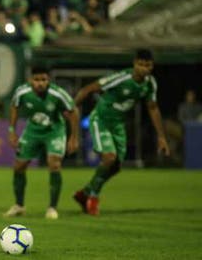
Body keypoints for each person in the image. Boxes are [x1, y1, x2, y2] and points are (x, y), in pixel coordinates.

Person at [73, 49, 170, 216]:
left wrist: (161, 137)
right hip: (101, 120)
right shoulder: (121, 78)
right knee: (109, 157)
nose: (144, 69)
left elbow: (153, 108)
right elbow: (89, 89)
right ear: (134, 64)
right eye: (141, 64)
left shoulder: (150, 84)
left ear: (152, 66)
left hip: (118, 126)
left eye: (148, 65)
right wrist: (70, 109)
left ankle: (85, 193)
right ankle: (93, 199)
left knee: (116, 167)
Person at [4, 67, 79, 219]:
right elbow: (14, 107)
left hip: (55, 131)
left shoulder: (58, 93)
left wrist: (73, 137)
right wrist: (12, 130)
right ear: (30, 80)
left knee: (54, 164)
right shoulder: (22, 92)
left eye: (43, 80)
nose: (40, 83)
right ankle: (19, 205)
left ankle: (52, 208)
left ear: (48, 81)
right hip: (33, 130)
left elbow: (73, 111)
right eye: (36, 80)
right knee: (19, 166)